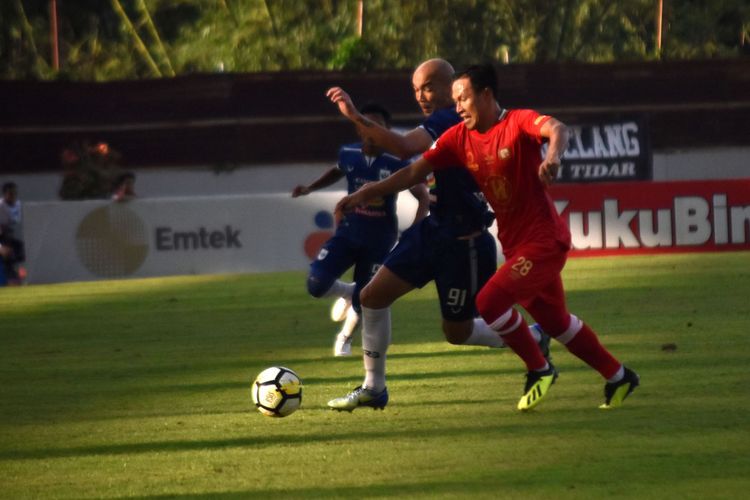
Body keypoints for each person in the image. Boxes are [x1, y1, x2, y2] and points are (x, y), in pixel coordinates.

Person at [335, 64, 639, 411]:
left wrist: (553, 157)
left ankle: (540, 369)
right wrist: (365, 193)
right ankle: (619, 376)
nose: (458, 107)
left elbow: (556, 127)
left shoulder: (517, 122)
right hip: (513, 244)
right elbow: (413, 172)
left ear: (486, 95)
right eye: (455, 100)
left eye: (463, 99)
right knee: (555, 321)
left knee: (490, 302)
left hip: (544, 241)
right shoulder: (457, 138)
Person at [325, 59, 550, 412]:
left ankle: (534, 337)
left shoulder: (451, 119)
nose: (421, 96)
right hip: (432, 230)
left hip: (462, 244)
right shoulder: (441, 123)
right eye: (415, 90)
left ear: (452, 87)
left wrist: (353, 114)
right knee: (371, 297)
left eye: (428, 87)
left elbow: (402, 148)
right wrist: (369, 192)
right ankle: (373, 387)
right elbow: (413, 169)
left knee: (456, 332)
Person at [292, 103, 430, 357]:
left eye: (378, 126)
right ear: (358, 129)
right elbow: (337, 170)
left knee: (367, 299)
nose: (372, 130)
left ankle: (345, 337)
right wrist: (310, 188)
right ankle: (347, 292)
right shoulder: (348, 153)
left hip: (380, 239)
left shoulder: (398, 161)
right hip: (347, 232)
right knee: (316, 283)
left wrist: (416, 229)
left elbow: (423, 196)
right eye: (366, 125)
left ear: (387, 131)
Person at [0, 182, 25, 285]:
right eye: (10, 193)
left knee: (22, 252)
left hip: (15, 239)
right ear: (4, 194)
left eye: (15, 193)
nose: (13, 196)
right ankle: (10, 279)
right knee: (8, 254)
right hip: (3, 240)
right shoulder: (1, 207)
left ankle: (20, 276)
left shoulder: (19, 205)